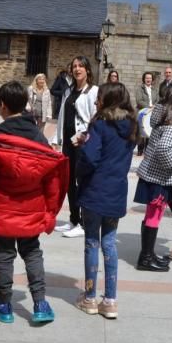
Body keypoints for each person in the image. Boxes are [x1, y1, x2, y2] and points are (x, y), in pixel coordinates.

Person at [0, 80, 68, 325]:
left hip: (1, 211)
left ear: (2, 106)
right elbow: (52, 183)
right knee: (32, 253)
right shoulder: (40, 140)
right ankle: (40, 303)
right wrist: (50, 212)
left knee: (3, 255)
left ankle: (4, 304)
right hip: (31, 211)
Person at [75, 82, 137, 319]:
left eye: (99, 97)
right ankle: (110, 299)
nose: (96, 101)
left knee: (92, 241)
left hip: (95, 190)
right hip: (116, 191)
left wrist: (82, 154)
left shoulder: (100, 125)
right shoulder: (131, 126)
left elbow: (91, 159)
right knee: (109, 243)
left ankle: (90, 297)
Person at [134, 87, 172, 264]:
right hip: (160, 179)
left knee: (151, 215)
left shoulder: (161, 119)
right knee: (154, 215)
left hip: (153, 176)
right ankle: (146, 257)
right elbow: (164, 148)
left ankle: (148, 254)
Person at [52, 56, 99, 238]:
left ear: (87, 69)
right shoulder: (68, 91)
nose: (77, 69)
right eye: (74, 66)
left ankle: (83, 222)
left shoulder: (93, 91)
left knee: (82, 182)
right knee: (69, 181)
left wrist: (85, 134)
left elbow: (96, 118)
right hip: (68, 142)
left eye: (81, 66)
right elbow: (62, 117)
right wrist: (57, 138)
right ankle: (73, 219)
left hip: (83, 143)